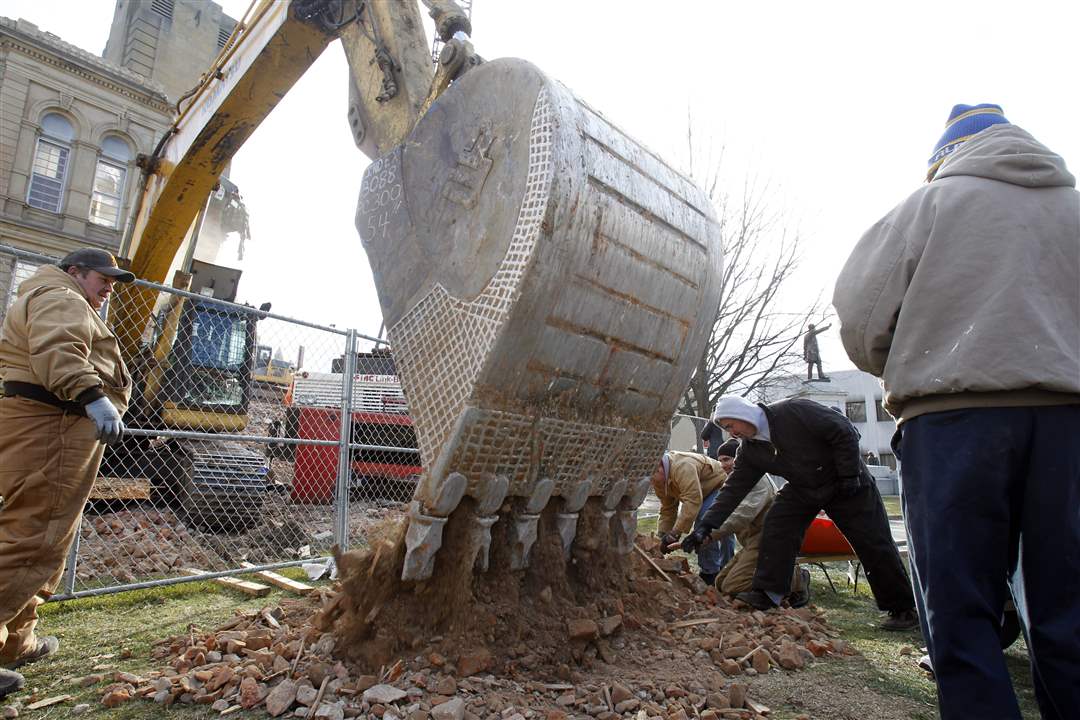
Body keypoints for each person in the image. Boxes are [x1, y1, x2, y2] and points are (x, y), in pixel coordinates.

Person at [833, 103, 1080, 719]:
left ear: (945, 155)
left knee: (960, 610)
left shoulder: (930, 206)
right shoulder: (1075, 212)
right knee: (1069, 608)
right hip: (1068, 422)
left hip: (953, 418)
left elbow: (862, 318)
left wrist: (911, 364)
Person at [0, 248, 134, 698]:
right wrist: (91, 393)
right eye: (104, 278)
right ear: (75, 272)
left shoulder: (52, 294)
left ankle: (16, 642)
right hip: (52, 423)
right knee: (34, 539)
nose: (108, 288)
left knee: (43, 534)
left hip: (49, 422)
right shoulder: (63, 297)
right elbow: (59, 346)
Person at [681, 395, 917, 630]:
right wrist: (706, 525)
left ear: (742, 414)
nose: (731, 433)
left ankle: (903, 609)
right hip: (803, 487)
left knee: (871, 540)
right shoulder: (750, 450)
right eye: (725, 429)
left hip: (847, 481)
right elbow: (733, 490)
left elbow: (844, 431)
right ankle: (769, 592)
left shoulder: (793, 411)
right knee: (777, 523)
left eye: (730, 425)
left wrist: (849, 474)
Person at [709, 439, 811, 606]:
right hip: (751, 543)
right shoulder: (732, 483)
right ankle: (776, 575)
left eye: (727, 459)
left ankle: (796, 577)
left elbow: (741, 516)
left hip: (767, 543)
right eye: (720, 460)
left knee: (732, 586)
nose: (723, 465)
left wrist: (708, 535)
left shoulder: (757, 481)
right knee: (720, 582)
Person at [651, 450, 735, 585]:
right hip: (701, 491)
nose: (651, 482)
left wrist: (675, 533)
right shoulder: (659, 480)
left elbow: (693, 501)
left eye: (651, 476)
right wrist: (662, 536)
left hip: (718, 485)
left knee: (705, 521)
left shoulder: (683, 466)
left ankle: (711, 572)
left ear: (659, 468)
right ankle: (721, 567)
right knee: (716, 526)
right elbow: (668, 509)